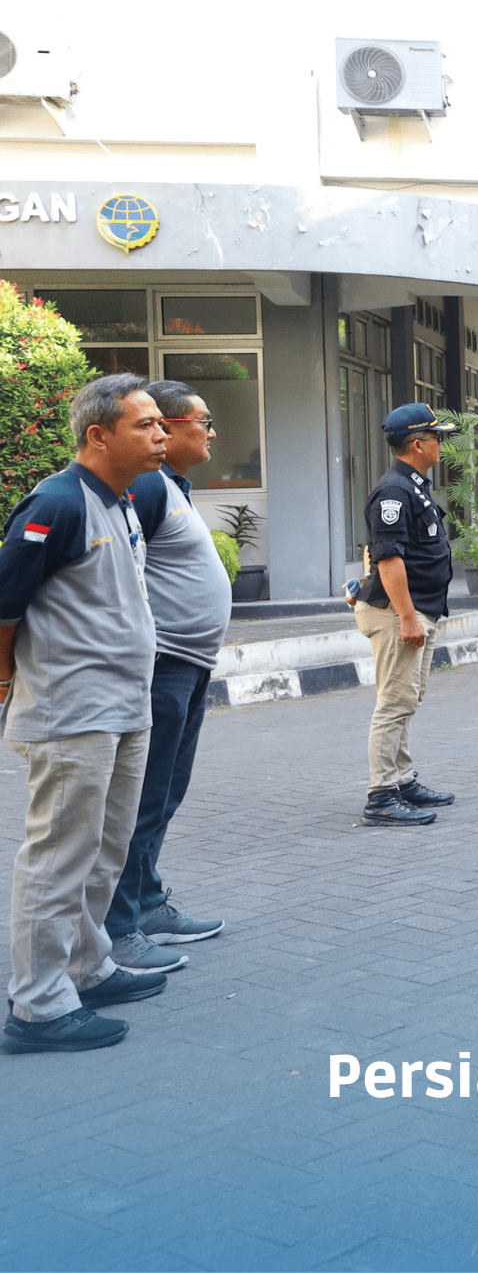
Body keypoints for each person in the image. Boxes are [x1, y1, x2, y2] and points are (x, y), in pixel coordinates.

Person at [0, 375, 171, 1054]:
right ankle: (38, 1005)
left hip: (124, 704)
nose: (161, 434)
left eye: (162, 423)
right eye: (146, 424)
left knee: (106, 847)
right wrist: (6, 671)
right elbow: (5, 599)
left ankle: (86, 964)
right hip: (72, 710)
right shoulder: (57, 502)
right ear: (99, 434)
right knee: (57, 853)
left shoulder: (122, 500)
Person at [102, 381, 232, 971]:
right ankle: (118, 924)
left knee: (165, 793)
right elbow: (121, 570)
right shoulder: (149, 488)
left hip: (188, 667)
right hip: (162, 668)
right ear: (170, 426)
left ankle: (148, 901)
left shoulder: (169, 487)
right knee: (143, 796)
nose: (210, 432)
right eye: (203, 421)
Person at [355, 403, 461, 828]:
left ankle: (401, 780)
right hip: (400, 613)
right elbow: (388, 559)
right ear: (418, 444)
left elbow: (377, 550)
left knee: (407, 699)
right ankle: (381, 795)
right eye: (437, 438)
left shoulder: (412, 485)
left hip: (417, 609)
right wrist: (407, 618)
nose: (441, 444)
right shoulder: (395, 491)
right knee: (394, 704)